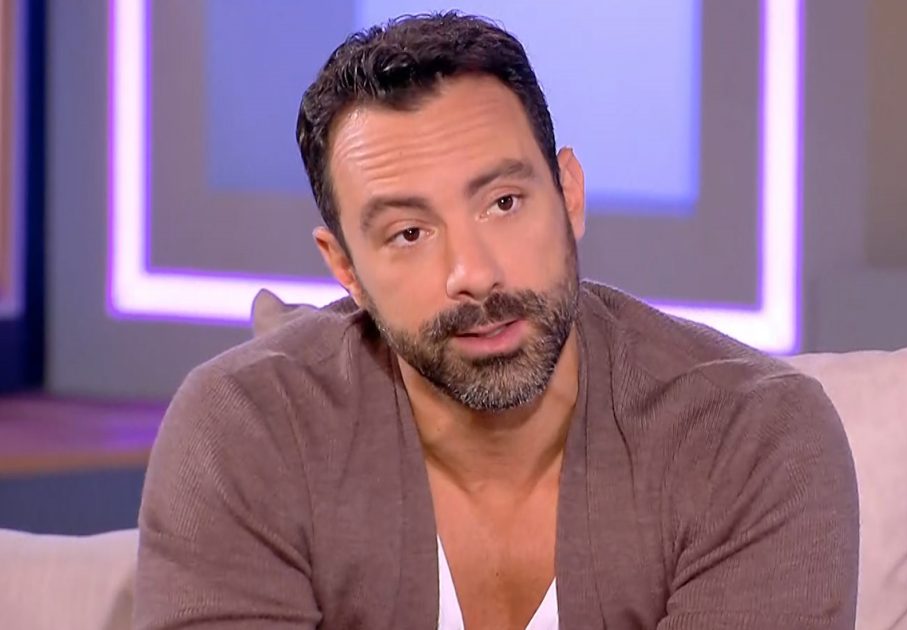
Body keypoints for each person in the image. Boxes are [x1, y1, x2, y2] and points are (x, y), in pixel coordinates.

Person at [134, 12, 859, 630]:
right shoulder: (246, 433)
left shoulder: (748, 438)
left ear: (569, 193)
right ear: (346, 269)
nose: (473, 272)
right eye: (409, 233)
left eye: (503, 203)